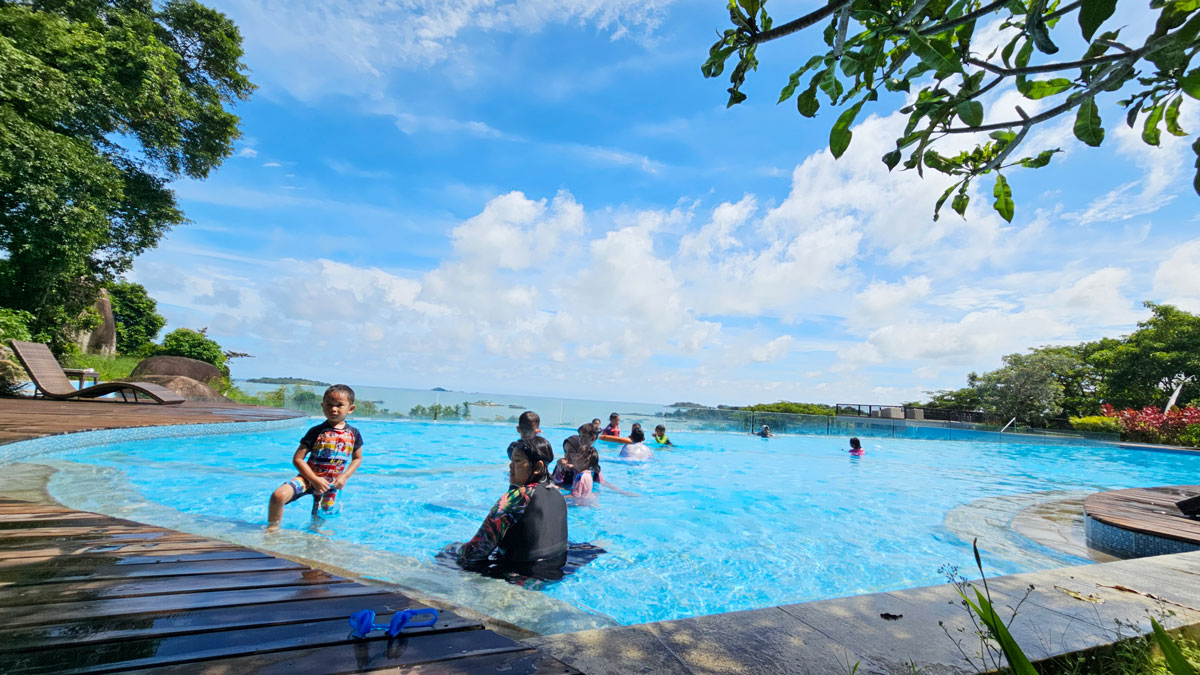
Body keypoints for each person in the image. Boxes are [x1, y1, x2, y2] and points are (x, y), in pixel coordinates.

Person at [449, 436, 568, 579]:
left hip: (518, 576)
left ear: (537, 467)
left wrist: (452, 548)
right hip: (554, 573)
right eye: (511, 460)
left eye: (517, 460)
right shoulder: (559, 496)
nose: (510, 465)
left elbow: (476, 552)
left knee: (449, 555)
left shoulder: (518, 497)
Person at [267, 384, 364, 529]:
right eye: (329, 404)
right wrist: (314, 479)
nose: (333, 409)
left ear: (350, 409)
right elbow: (297, 458)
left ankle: (314, 539)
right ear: (322, 406)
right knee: (278, 496)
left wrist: (344, 477)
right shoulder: (316, 431)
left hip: (330, 485)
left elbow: (357, 458)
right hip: (307, 479)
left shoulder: (354, 434)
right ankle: (272, 530)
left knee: (319, 520)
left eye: (339, 405)